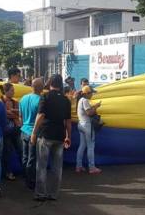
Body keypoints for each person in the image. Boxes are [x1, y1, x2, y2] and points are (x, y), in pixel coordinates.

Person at [31, 74, 71, 202]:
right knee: (57, 167)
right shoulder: (66, 100)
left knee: (41, 166)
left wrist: (34, 132)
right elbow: (68, 122)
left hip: (46, 135)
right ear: (61, 85)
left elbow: (41, 115)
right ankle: (53, 193)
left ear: (50, 83)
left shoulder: (45, 97)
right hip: (59, 136)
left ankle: (41, 193)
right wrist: (68, 136)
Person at [19, 78, 44, 190]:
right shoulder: (41, 100)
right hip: (34, 132)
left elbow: (20, 116)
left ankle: (25, 177)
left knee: (25, 157)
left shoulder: (23, 98)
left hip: (24, 130)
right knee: (32, 158)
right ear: (41, 88)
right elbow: (41, 117)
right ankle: (31, 181)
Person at [76, 85, 102, 174]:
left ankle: (78, 166)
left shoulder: (80, 100)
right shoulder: (85, 100)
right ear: (87, 93)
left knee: (82, 146)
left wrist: (93, 106)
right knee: (90, 147)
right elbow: (89, 113)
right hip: (87, 125)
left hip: (80, 124)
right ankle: (92, 168)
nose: (92, 95)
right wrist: (96, 106)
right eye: (91, 93)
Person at [0, 83, 22, 181]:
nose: (13, 92)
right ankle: (8, 172)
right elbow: (4, 114)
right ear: (6, 91)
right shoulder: (0, 102)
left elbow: (19, 113)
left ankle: (25, 170)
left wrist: (11, 112)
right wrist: (13, 112)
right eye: (12, 90)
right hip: (5, 131)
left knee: (20, 150)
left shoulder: (15, 101)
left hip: (16, 129)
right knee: (7, 152)